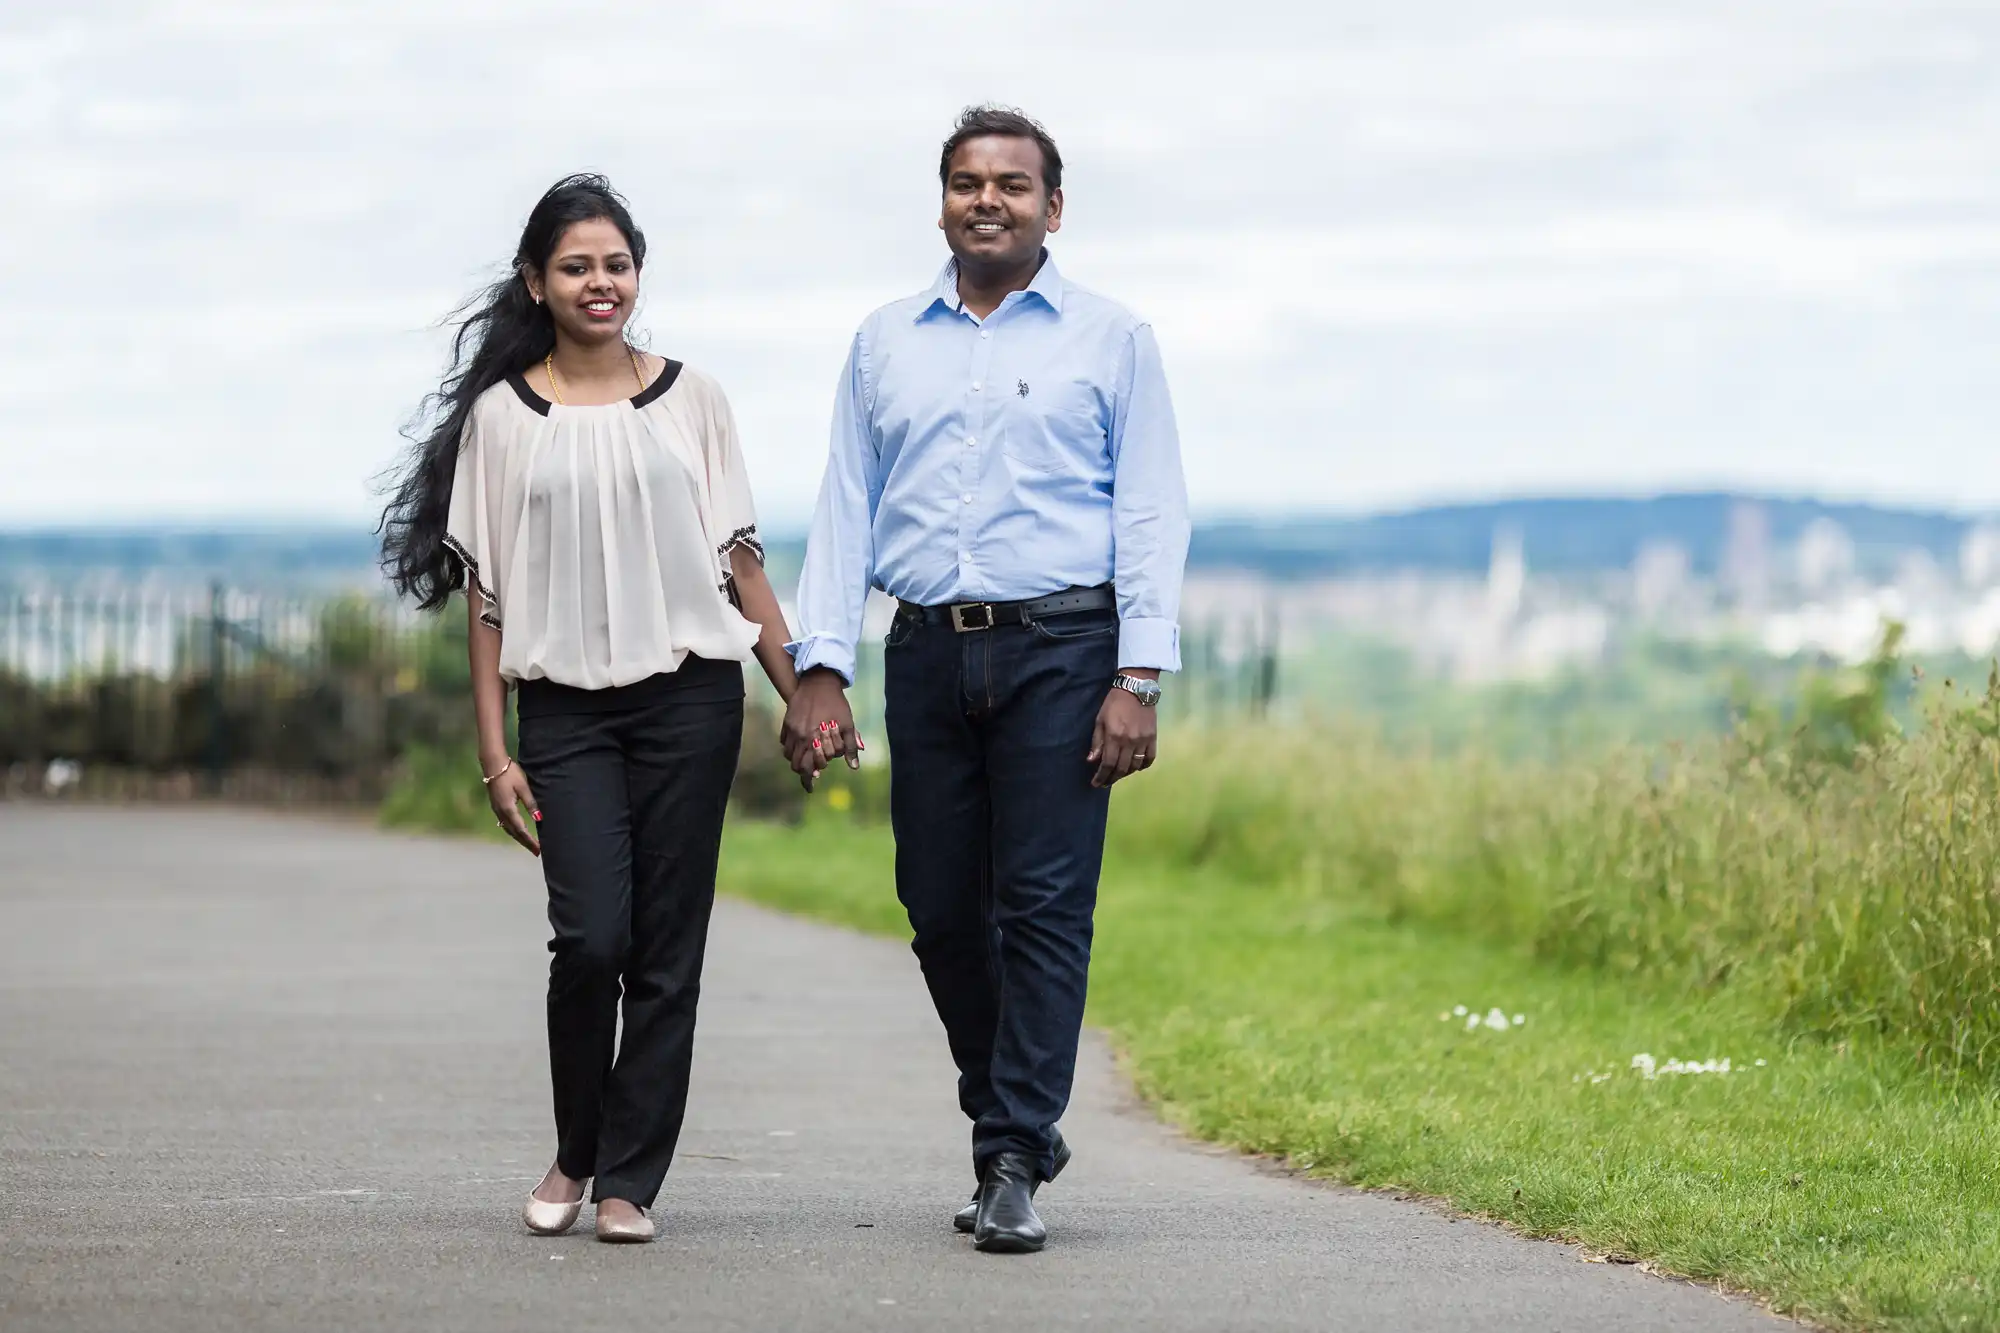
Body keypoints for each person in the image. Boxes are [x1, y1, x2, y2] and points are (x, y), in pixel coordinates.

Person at [784, 105, 1191, 1253]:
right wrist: (822, 665)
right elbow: (843, 507)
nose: (987, 200)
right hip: (924, 647)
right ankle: (1007, 1114)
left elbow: (1151, 507)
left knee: (1044, 905)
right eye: (967, 182)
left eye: (1012, 184)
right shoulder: (882, 341)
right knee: (938, 903)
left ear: (1052, 208)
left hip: (1064, 649)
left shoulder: (1111, 339)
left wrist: (1139, 674)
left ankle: (1011, 1151)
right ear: (942, 201)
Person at [379, 174, 805, 1244]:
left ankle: (626, 1180)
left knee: (668, 948)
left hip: (691, 702)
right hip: (563, 715)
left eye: (615, 264)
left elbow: (742, 568)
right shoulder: (502, 418)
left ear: (636, 275)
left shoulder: (693, 400)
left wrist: (804, 693)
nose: (599, 282)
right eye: (576, 266)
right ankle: (578, 1144)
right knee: (592, 940)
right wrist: (494, 751)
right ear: (538, 281)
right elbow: (485, 598)